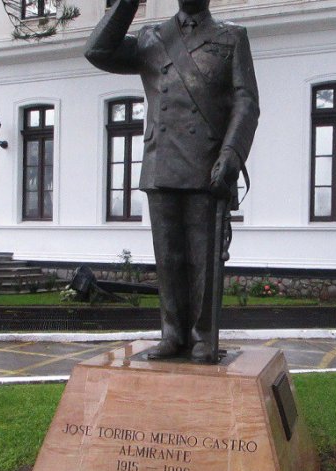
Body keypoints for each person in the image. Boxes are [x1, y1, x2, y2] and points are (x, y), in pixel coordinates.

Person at [85, 0, 260, 362]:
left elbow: (247, 103)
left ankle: (201, 335)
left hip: (206, 165)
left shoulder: (231, 38)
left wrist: (231, 154)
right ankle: (172, 332)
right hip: (161, 161)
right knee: (168, 258)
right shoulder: (152, 38)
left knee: (202, 258)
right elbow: (97, 50)